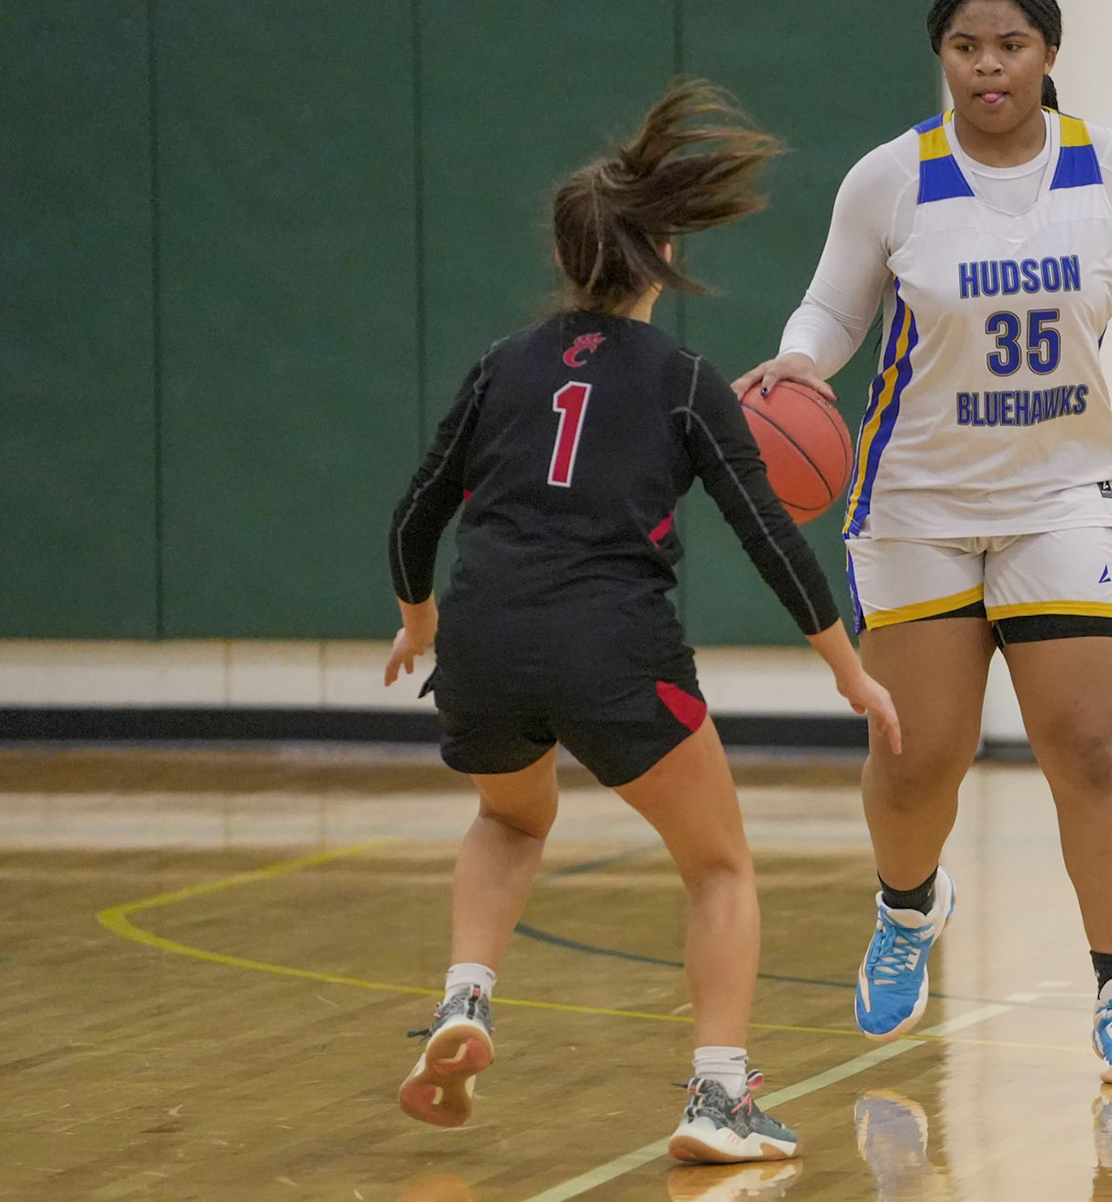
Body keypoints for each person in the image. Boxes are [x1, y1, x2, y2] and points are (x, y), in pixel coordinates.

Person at [735, 0, 1112, 1085]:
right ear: (943, 57)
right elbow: (833, 309)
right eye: (967, 47)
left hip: (1060, 494)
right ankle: (908, 907)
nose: (988, 66)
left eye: (1011, 44)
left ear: (1048, 53)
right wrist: (801, 361)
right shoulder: (893, 179)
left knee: (1088, 746)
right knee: (921, 759)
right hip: (917, 499)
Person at [383, 79, 901, 1162]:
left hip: (483, 636)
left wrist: (419, 622)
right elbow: (770, 537)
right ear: (662, 253)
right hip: (610, 646)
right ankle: (719, 1099)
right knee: (719, 866)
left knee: (510, 820)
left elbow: (417, 513)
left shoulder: (501, 366)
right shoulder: (684, 381)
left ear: (566, 255)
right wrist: (848, 670)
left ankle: (464, 999)